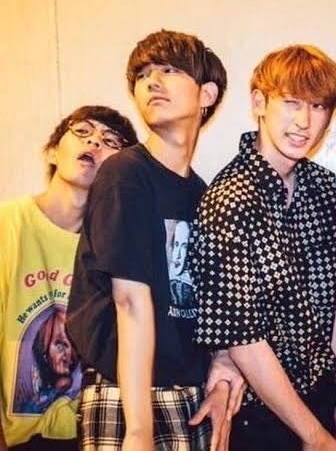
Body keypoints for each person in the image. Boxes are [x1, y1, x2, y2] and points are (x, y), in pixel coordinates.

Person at [66, 30, 242, 451]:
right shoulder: (125, 172)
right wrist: (139, 430)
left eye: (169, 70)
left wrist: (221, 372)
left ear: (207, 94)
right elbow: (129, 301)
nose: (152, 82)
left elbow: (215, 307)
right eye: (143, 75)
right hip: (128, 394)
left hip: (187, 393)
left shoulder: (203, 194)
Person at [190, 44, 336, 451]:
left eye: (318, 106)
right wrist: (314, 436)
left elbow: (329, 299)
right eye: (291, 103)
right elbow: (242, 340)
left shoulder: (320, 185)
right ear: (259, 103)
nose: (304, 121)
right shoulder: (230, 200)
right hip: (260, 414)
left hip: (322, 394)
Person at [0, 105, 137, 451]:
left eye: (111, 141)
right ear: (51, 151)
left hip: (94, 432)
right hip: (16, 437)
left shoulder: (117, 243)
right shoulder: (9, 225)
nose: (95, 141)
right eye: (82, 131)